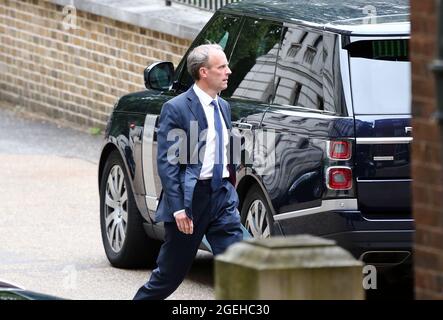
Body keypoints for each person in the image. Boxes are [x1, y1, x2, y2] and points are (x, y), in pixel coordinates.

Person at [133, 44, 243, 300]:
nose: (228, 71)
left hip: (221, 197)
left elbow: (228, 151)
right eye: (222, 67)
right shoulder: (177, 108)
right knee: (168, 277)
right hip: (189, 200)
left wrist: (230, 191)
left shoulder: (223, 107)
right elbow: (168, 164)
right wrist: (179, 208)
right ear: (203, 72)